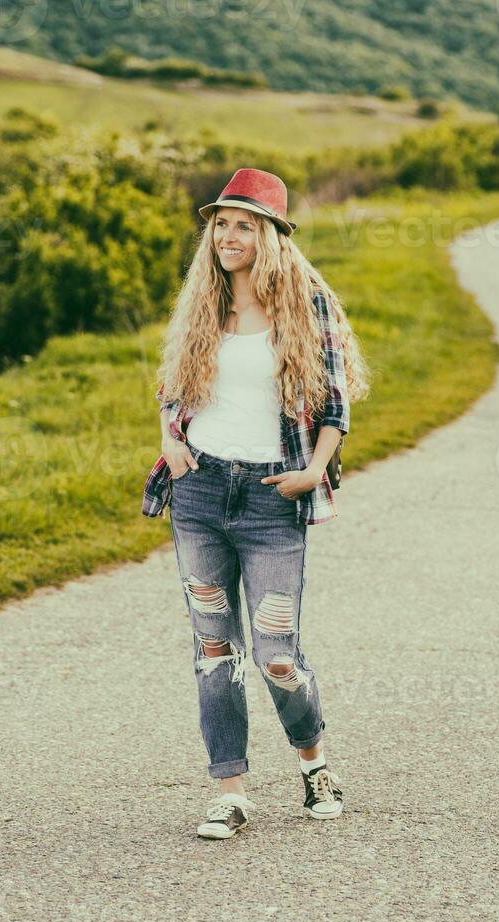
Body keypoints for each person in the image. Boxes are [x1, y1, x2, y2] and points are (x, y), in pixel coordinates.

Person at [140, 167, 371, 839]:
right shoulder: (203, 305)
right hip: (202, 493)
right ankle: (231, 791)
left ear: (269, 235)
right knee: (215, 648)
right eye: (220, 224)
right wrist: (172, 446)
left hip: (273, 499)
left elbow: (334, 404)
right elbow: (170, 386)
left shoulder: (307, 304)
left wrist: (316, 470)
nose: (228, 236)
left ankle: (313, 762)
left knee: (276, 655)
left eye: (244, 224)